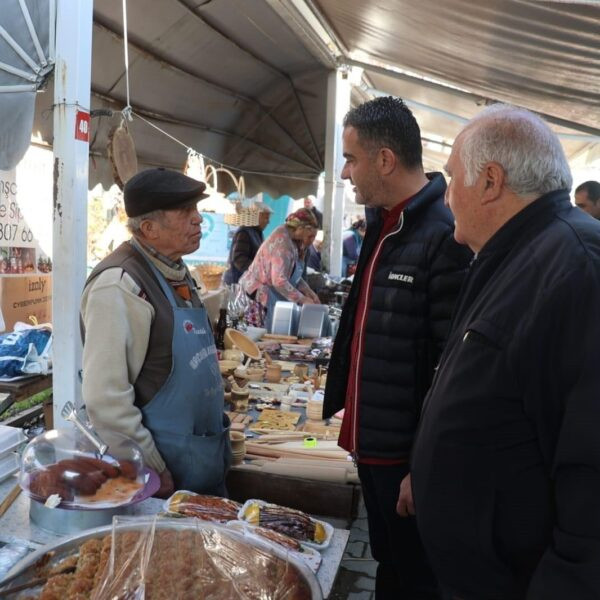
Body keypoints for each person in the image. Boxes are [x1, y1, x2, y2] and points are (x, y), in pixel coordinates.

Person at [409, 104, 600, 600]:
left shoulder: (577, 267)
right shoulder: (519, 252)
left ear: (490, 181)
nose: (447, 196)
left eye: (452, 180)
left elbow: (588, 462)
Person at [323, 96, 472, 600]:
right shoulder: (385, 223)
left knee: (413, 574)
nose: (345, 173)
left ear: (385, 160)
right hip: (373, 440)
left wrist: (420, 466)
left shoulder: (442, 234)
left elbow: (450, 364)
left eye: (351, 158)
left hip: (403, 456)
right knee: (391, 561)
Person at [81, 168, 231, 499]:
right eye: (185, 211)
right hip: (163, 476)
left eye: (196, 209)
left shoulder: (176, 270)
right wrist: (151, 466)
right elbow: (105, 398)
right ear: (148, 227)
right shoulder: (120, 285)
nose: (198, 221)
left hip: (200, 461)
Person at [240, 208, 320, 331]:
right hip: (258, 298)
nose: (311, 241)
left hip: (273, 296)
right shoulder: (282, 242)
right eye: (310, 236)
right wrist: (302, 299)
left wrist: (308, 291)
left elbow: (293, 275)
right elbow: (279, 281)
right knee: (263, 341)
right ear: (301, 229)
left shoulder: (295, 241)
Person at [222, 201, 273, 284]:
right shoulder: (244, 232)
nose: (268, 222)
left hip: (245, 281)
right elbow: (239, 258)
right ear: (257, 216)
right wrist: (258, 271)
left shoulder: (257, 232)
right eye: (266, 218)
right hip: (236, 282)